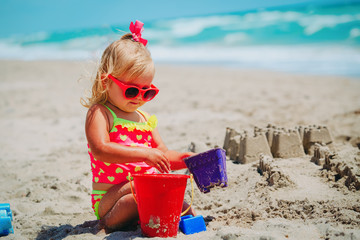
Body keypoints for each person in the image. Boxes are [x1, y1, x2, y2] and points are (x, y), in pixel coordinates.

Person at [82, 20, 195, 232]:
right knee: (135, 198)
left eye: (147, 92)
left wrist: (186, 160)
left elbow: (162, 155)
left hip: (147, 188)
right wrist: (144, 154)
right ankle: (106, 223)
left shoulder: (144, 118)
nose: (139, 98)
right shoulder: (101, 113)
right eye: (132, 91)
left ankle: (185, 225)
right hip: (113, 198)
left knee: (182, 203)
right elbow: (101, 149)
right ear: (106, 81)